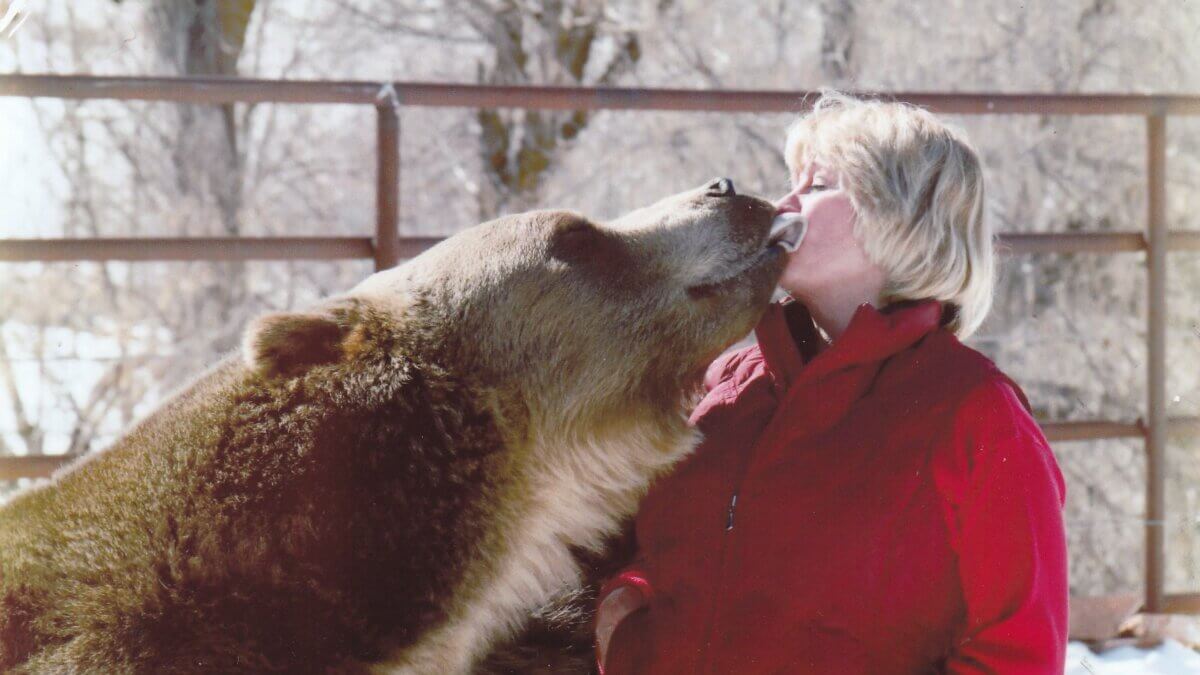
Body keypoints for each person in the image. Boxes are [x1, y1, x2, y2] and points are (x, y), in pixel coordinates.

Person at [594, 92, 1069, 674]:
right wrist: (622, 619)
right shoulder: (726, 384)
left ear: (900, 215)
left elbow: (1019, 656)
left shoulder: (977, 415)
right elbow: (648, 555)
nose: (781, 205)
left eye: (815, 187)